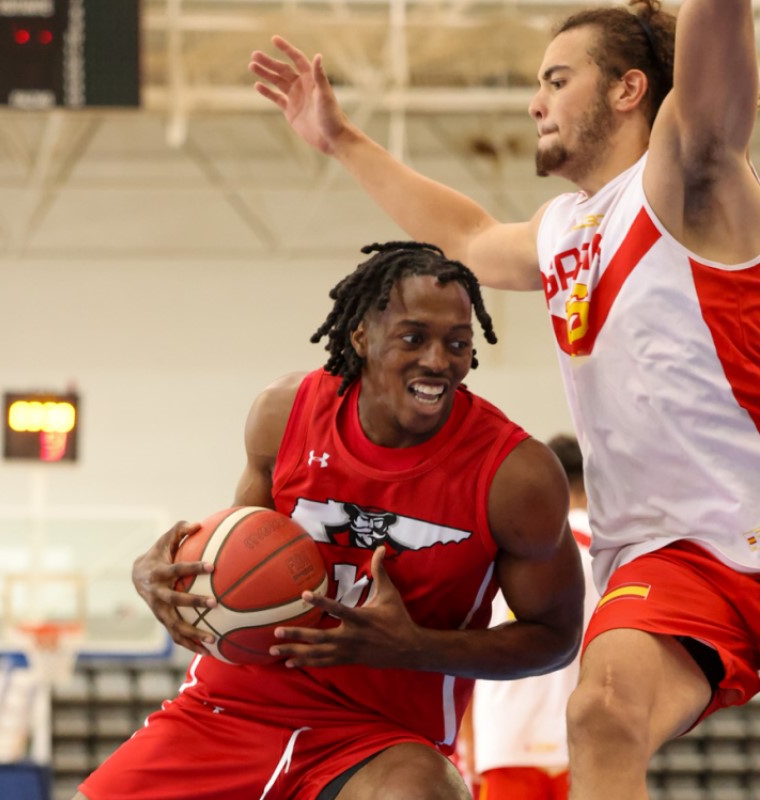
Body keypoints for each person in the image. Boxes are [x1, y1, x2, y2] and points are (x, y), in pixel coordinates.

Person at [249, 0, 760, 795]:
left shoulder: (686, 178)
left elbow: (716, 46)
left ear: (629, 90)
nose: (534, 103)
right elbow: (465, 237)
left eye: (556, 80)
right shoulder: (563, 231)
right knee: (603, 710)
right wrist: (341, 138)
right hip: (673, 560)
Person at [75, 242, 585, 800]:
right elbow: (234, 553)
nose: (439, 361)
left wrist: (415, 647)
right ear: (361, 336)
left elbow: (555, 639)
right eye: (414, 338)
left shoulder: (517, 476)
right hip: (227, 708)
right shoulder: (283, 415)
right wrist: (158, 573)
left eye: (457, 343)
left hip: (380, 737)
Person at [462, 434, 599, 800]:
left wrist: (470, 740)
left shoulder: (505, 545)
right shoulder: (609, 554)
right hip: (585, 738)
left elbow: (468, 647)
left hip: (506, 737)